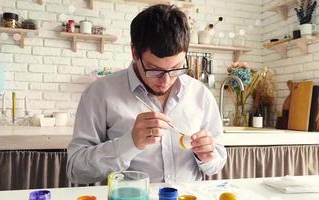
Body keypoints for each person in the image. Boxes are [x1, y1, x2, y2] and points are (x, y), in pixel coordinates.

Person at [67, 4, 226, 184]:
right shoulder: (99, 93)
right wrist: (129, 143)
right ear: (135, 53)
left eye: (176, 68)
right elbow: (76, 170)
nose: (165, 80)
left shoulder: (200, 94)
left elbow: (216, 163)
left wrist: (208, 156)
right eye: (155, 69)